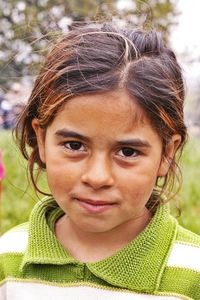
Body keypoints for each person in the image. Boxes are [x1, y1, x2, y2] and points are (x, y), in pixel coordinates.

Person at [0, 22, 200, 299]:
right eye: (74, 145)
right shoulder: (7, 260)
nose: (97, 177)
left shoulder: (192, 275)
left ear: (167, 153)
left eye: (128, 152)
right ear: (42, 139)